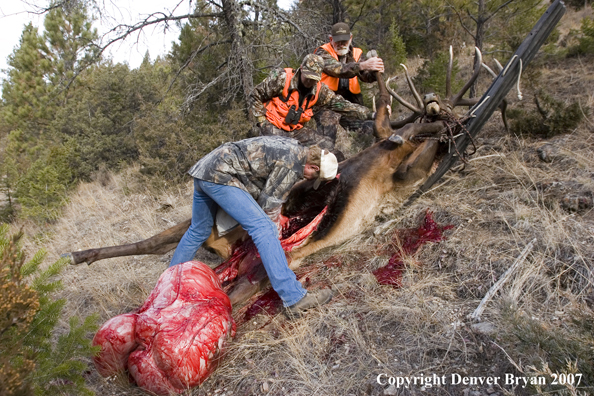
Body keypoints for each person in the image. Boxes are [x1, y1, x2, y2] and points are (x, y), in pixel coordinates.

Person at [169, 136, 337, 316]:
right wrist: (276, 231)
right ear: (313, 167)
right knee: (264, 229)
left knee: (198, 230)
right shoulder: (292, 163)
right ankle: (294, 297)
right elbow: (268, 206)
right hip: (220, 175)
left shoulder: (294, 147)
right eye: (313, 176)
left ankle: (168, 288)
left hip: (205, 170)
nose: (308, 178)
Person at [249, 54, 374, 154]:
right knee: (285, 151)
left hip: (295, 130)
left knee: (327, 146)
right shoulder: (281, 78)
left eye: (314, 79)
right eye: (307, 76)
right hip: (273, 127)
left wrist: (371, 115)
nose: (309, 81)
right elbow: (256, 95)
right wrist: (262, 122)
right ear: (301, 68)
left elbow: (343, 105)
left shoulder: (321, 91)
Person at [315, 22, 385, 106]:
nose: (341, 44)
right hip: (327, 100)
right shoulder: (322, 52)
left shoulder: (357, 53)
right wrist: (362, 65)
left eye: (344, 41)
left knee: (366, 117)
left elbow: (366, 77)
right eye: (338, 41)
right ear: (331, 39)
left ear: (350, 38)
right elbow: (337, 69)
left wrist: (375, 70)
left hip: (352, 99)